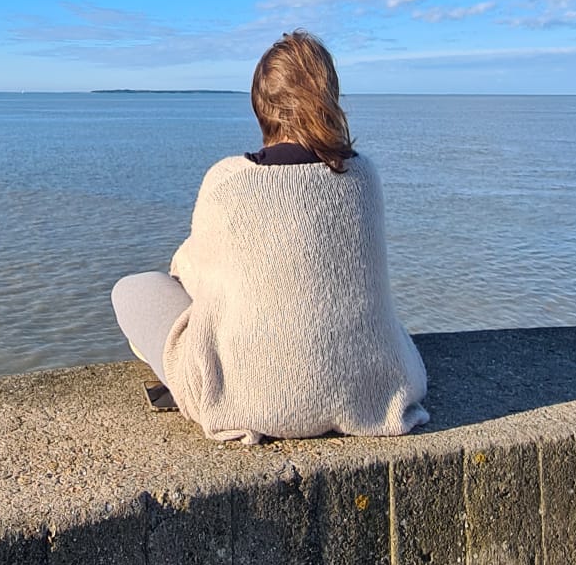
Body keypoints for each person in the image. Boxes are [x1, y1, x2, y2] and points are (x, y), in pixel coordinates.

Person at [111, 30, 428, 443]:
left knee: (133, 290)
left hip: (253, 398)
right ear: (330, 98)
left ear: (260, 104)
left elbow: (188, 271)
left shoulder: (228, 181)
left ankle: (181, 372)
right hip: (372, 392)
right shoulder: (363, 175)